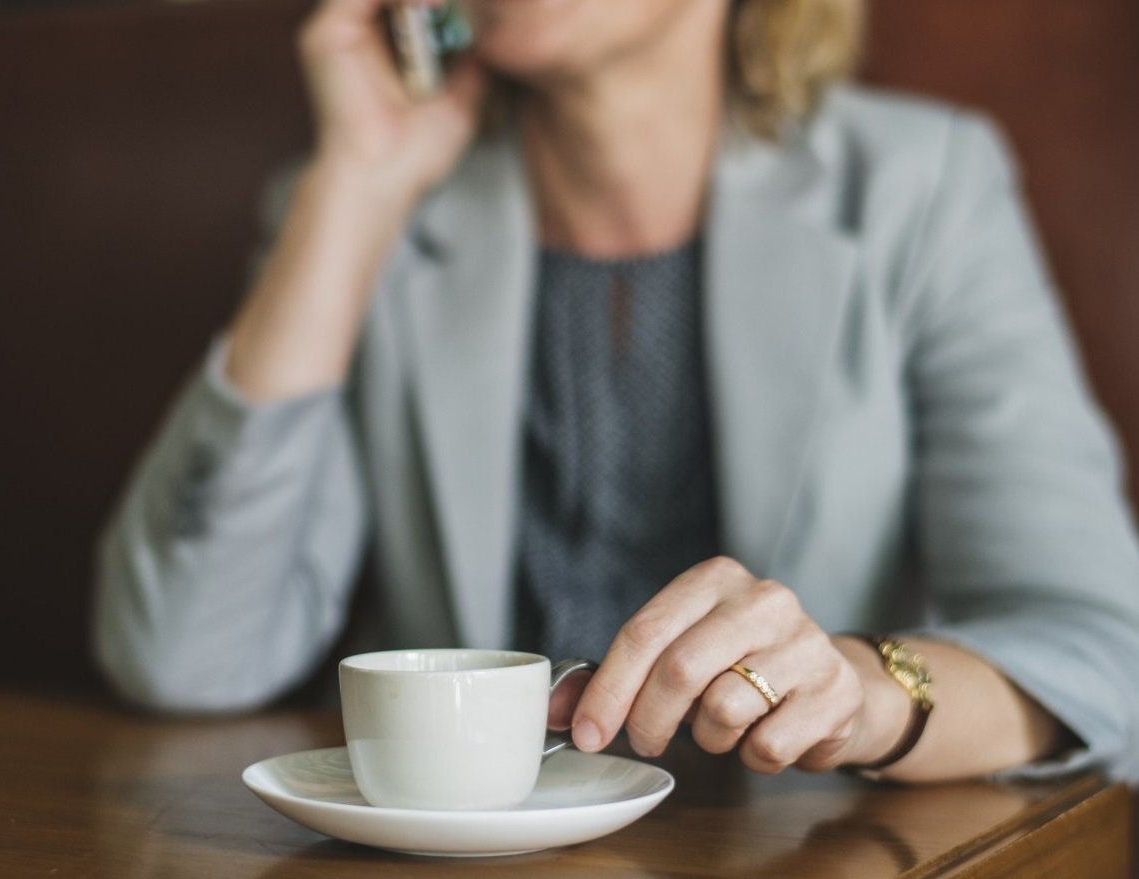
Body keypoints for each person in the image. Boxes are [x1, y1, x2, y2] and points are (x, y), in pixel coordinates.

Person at [93, 0, 1139, 783]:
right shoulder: (370, 211)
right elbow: (183, 652)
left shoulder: (922, 186)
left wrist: (859, 694)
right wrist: (353, 186)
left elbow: (1102, 649)